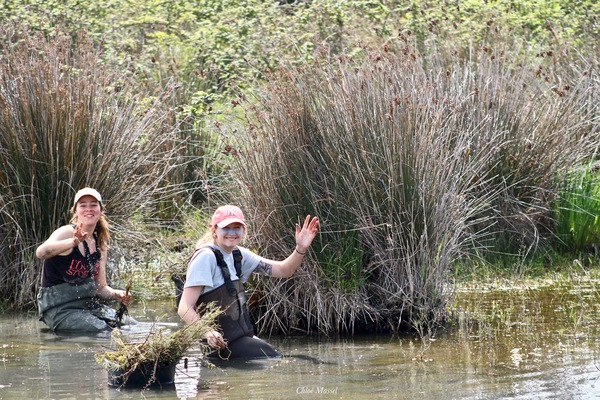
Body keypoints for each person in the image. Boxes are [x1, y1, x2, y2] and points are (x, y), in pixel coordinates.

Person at [177, 205, 319, 359]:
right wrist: (208, 332)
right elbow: (184, 307)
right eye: (226, 228)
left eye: (236, 228)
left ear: (243, 231)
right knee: (278, 359)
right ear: (213, 230)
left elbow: (285, 271)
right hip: (219, 347)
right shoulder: (206, 257)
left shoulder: (239, 254)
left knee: (282, 357)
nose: (231, 233)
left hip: (239, 340)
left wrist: (300, 248)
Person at [35, 187, 133, 332]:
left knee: (130, 325)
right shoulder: (66, 233)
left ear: (101, 210)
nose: (89, 209)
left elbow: (100, 288)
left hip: (87, 308)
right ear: (75, 211)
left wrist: (116, 294)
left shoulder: (100, 244)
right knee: (105, 331)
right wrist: (73, 242)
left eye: (93, 205)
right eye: (83, 205)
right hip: (59, 310)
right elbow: (41, 252)